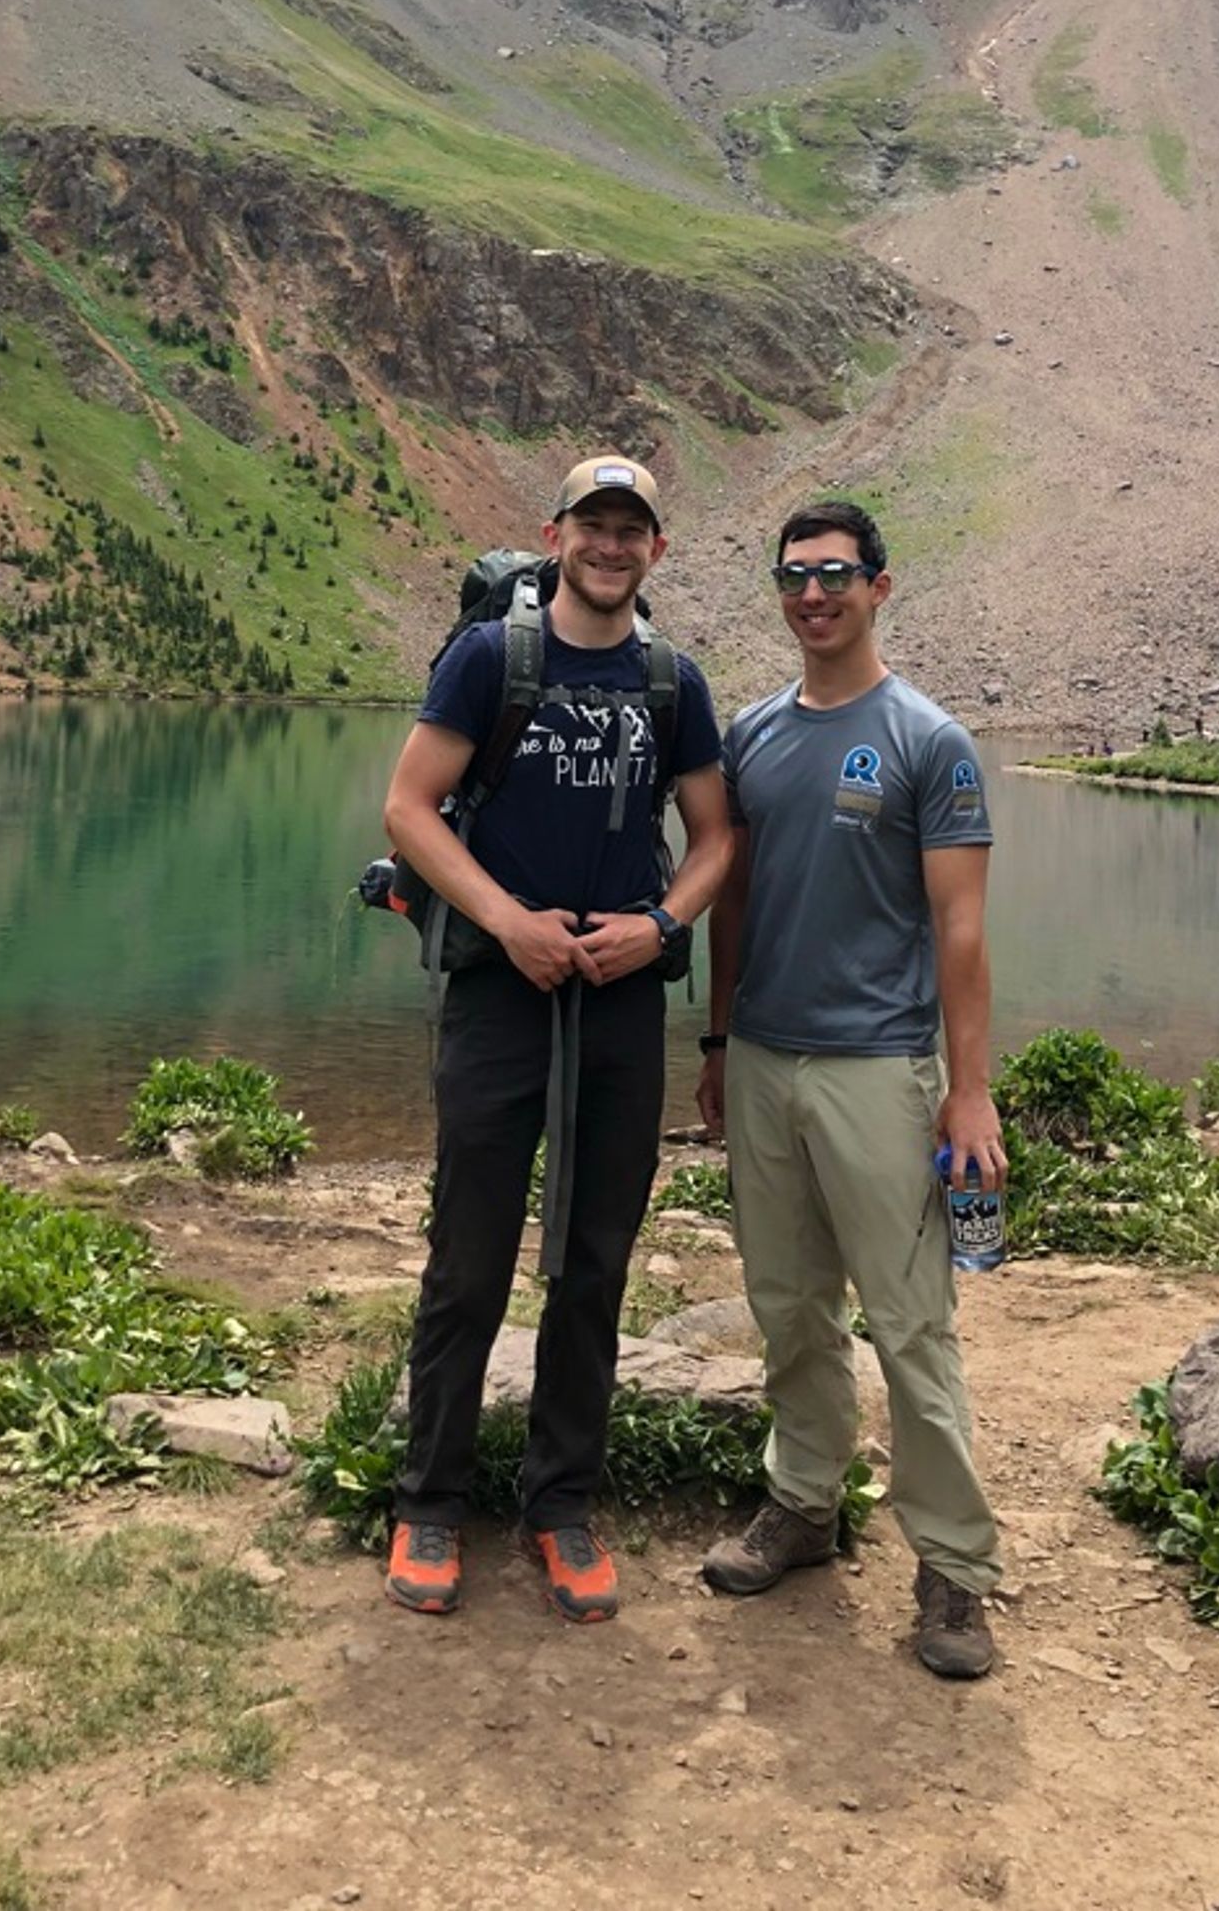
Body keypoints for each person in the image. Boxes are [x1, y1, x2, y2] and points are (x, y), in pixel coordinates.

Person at [381, 454, 729, 1624]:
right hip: (500, 988)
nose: (611, 543)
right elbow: (407, 807)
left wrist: (659, 924)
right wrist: (506, 922)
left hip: (621, 998)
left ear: (655, 550)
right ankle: (428, 1501)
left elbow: (717, 837)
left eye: (631, 528)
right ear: (556, 534)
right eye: (593, 523)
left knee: (594, 1259)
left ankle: (559, 1504)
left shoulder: (673, 681)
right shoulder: (493, 659)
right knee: (469, 1252)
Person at [697, 498, 1004, 1681]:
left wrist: (966, 1093)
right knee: (787, 1304)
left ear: (880, 585)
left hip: (881, 1069)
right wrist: (719, 1041)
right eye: (793, 576)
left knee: (911, 1322)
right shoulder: (754, 735)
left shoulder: (930, 739)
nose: (812, 594)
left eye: (834, 574)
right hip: (766, 1060)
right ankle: (802, 1505)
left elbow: (961, 931)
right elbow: (730, 897)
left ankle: (953, 1568)